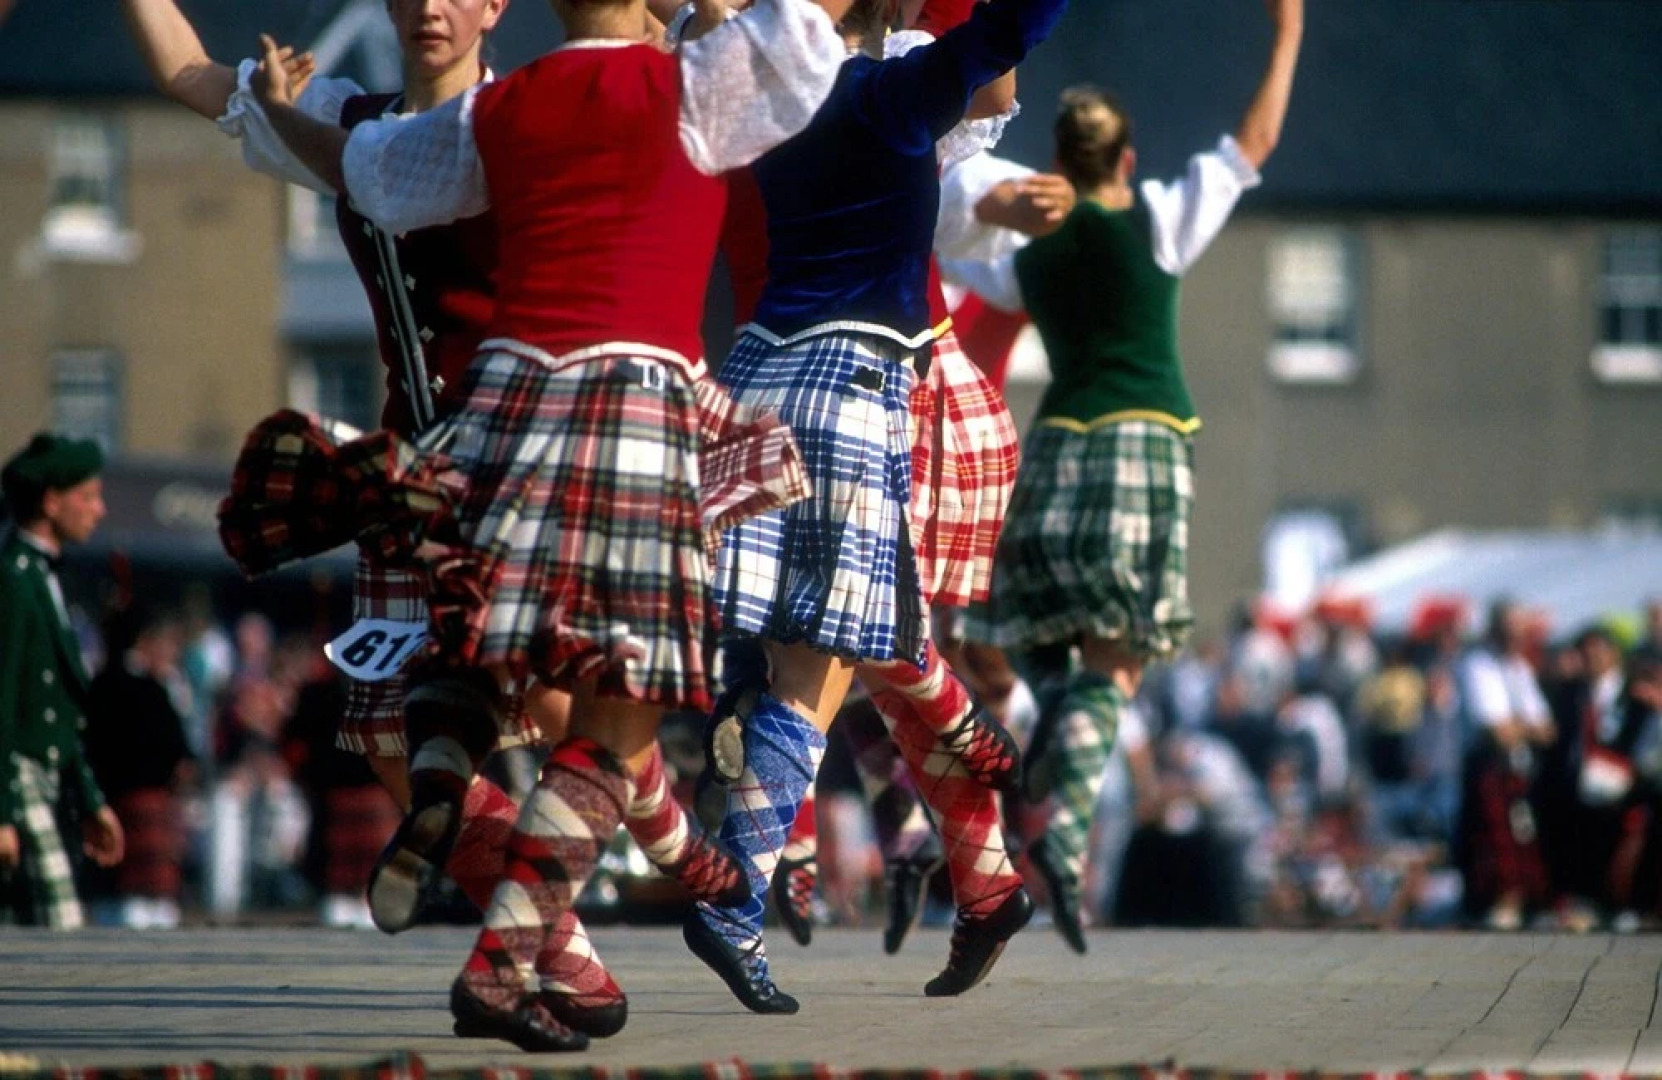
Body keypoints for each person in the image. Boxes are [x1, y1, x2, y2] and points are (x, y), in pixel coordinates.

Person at [249, 0, 850, 1050]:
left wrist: (274, 108)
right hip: (631, 399)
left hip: (509, 397)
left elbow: (368, 170)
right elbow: (810, 29)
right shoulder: (691, 89)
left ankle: (443, 762)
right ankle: (501, 962)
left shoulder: (505, 103)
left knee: (504, 638)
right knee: (617, 721)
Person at [124, 0, 750, 933]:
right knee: (391, 740)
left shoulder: (529, 113)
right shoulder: (345, 120)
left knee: (570, 700)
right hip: (410, 467)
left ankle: (667, 852)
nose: (430, 9)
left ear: (498, 8)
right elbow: (188, 73)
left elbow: (672, 80)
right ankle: (567, 927)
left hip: (520, 445)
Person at [688, 0, 1066, 1015]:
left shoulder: (752, 98)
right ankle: (734, 900)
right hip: (854, 385)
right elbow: (1010, 37)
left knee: (834, 638)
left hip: (753, 377)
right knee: (821, 668)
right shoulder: (895, 97)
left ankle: (984, 879)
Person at [947, 0, 1304, 952]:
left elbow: (940, 254)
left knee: (1057, 657)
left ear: (1060, 162)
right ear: (1129, 158)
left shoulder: (1029, 250)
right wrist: (1286, 32)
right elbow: (1255, 142)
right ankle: (1063, 834)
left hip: (1056, 447)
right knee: (1120, 657)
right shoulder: (1162, 220)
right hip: (1142, 444)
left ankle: (1039, 796)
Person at [0, 434, 125, 928]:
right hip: (18, 779)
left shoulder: (43, 576)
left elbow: (61, 707)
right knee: (60, 930)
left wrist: (90, 800)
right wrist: (2, 812)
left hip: (49, 779)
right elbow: (2, 702)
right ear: (51, 502)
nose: (99, 509)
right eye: (88, 496)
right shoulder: (13, 579)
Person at [84, 604, 196, 929]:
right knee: (155, 905)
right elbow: (180, 755)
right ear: (142, 641)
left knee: (115, 896)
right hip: (151, 801)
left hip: (108, 802)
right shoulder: (154, 690)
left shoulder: (97, 687)